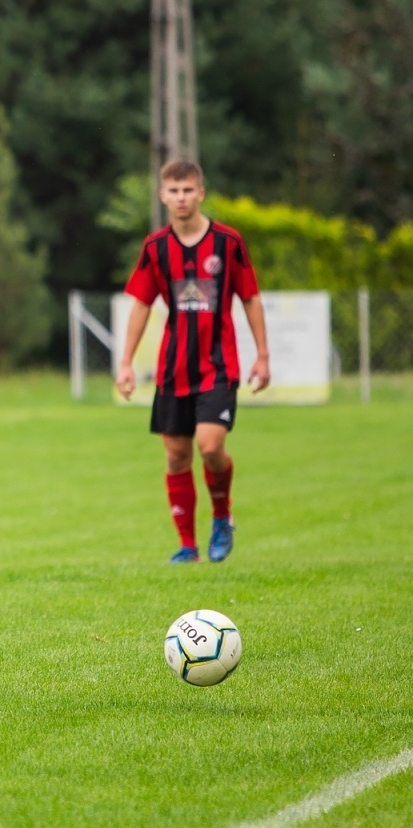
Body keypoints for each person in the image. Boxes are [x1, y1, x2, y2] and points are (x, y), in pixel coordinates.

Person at [116, 160, 270, 563]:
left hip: (218, 367)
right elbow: (140, 306)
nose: (181, 198)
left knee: (210, 444)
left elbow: (250, 297)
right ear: (163, 195)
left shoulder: (228, 242)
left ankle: (222, 516)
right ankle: (188, 546)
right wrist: (127, 362)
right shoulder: (155, 247)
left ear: (201, 193)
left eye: (188, 190)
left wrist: (263, 355)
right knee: (175, 455)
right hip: (173, 369)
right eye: (174, 190)